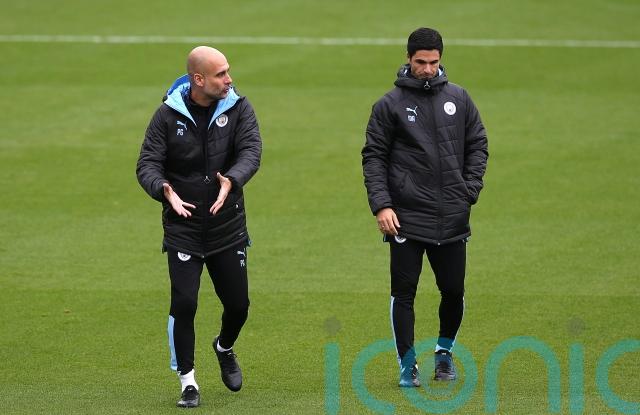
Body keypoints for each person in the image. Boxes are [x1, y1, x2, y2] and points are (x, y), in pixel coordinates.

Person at [362, 27, 488, 387]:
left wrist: (468, 190)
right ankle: (407, 365)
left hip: (452, 215)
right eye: (421, 62)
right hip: (405, 216)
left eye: (433, 62)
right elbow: (373, 157)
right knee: (404, 294)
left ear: (441, 59)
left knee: (453, 291)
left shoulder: (459, 99)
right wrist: (382, 205)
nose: (428, 69)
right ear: (408, 58)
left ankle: (444, 353)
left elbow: (478, 144)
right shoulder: (389, 105)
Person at [136, 46, 262, 407]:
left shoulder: (239, 108)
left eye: (228, 71)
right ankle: (188, 381)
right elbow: (147, 163)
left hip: (227, 227)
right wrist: (163, 189)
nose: (229, 79)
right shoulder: (166, 115)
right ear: (198, 79)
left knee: (238, 305)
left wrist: (232, 180)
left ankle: (224, 347)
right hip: (184, 228)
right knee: (185, 302)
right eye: (221, 74)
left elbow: (251, 151)